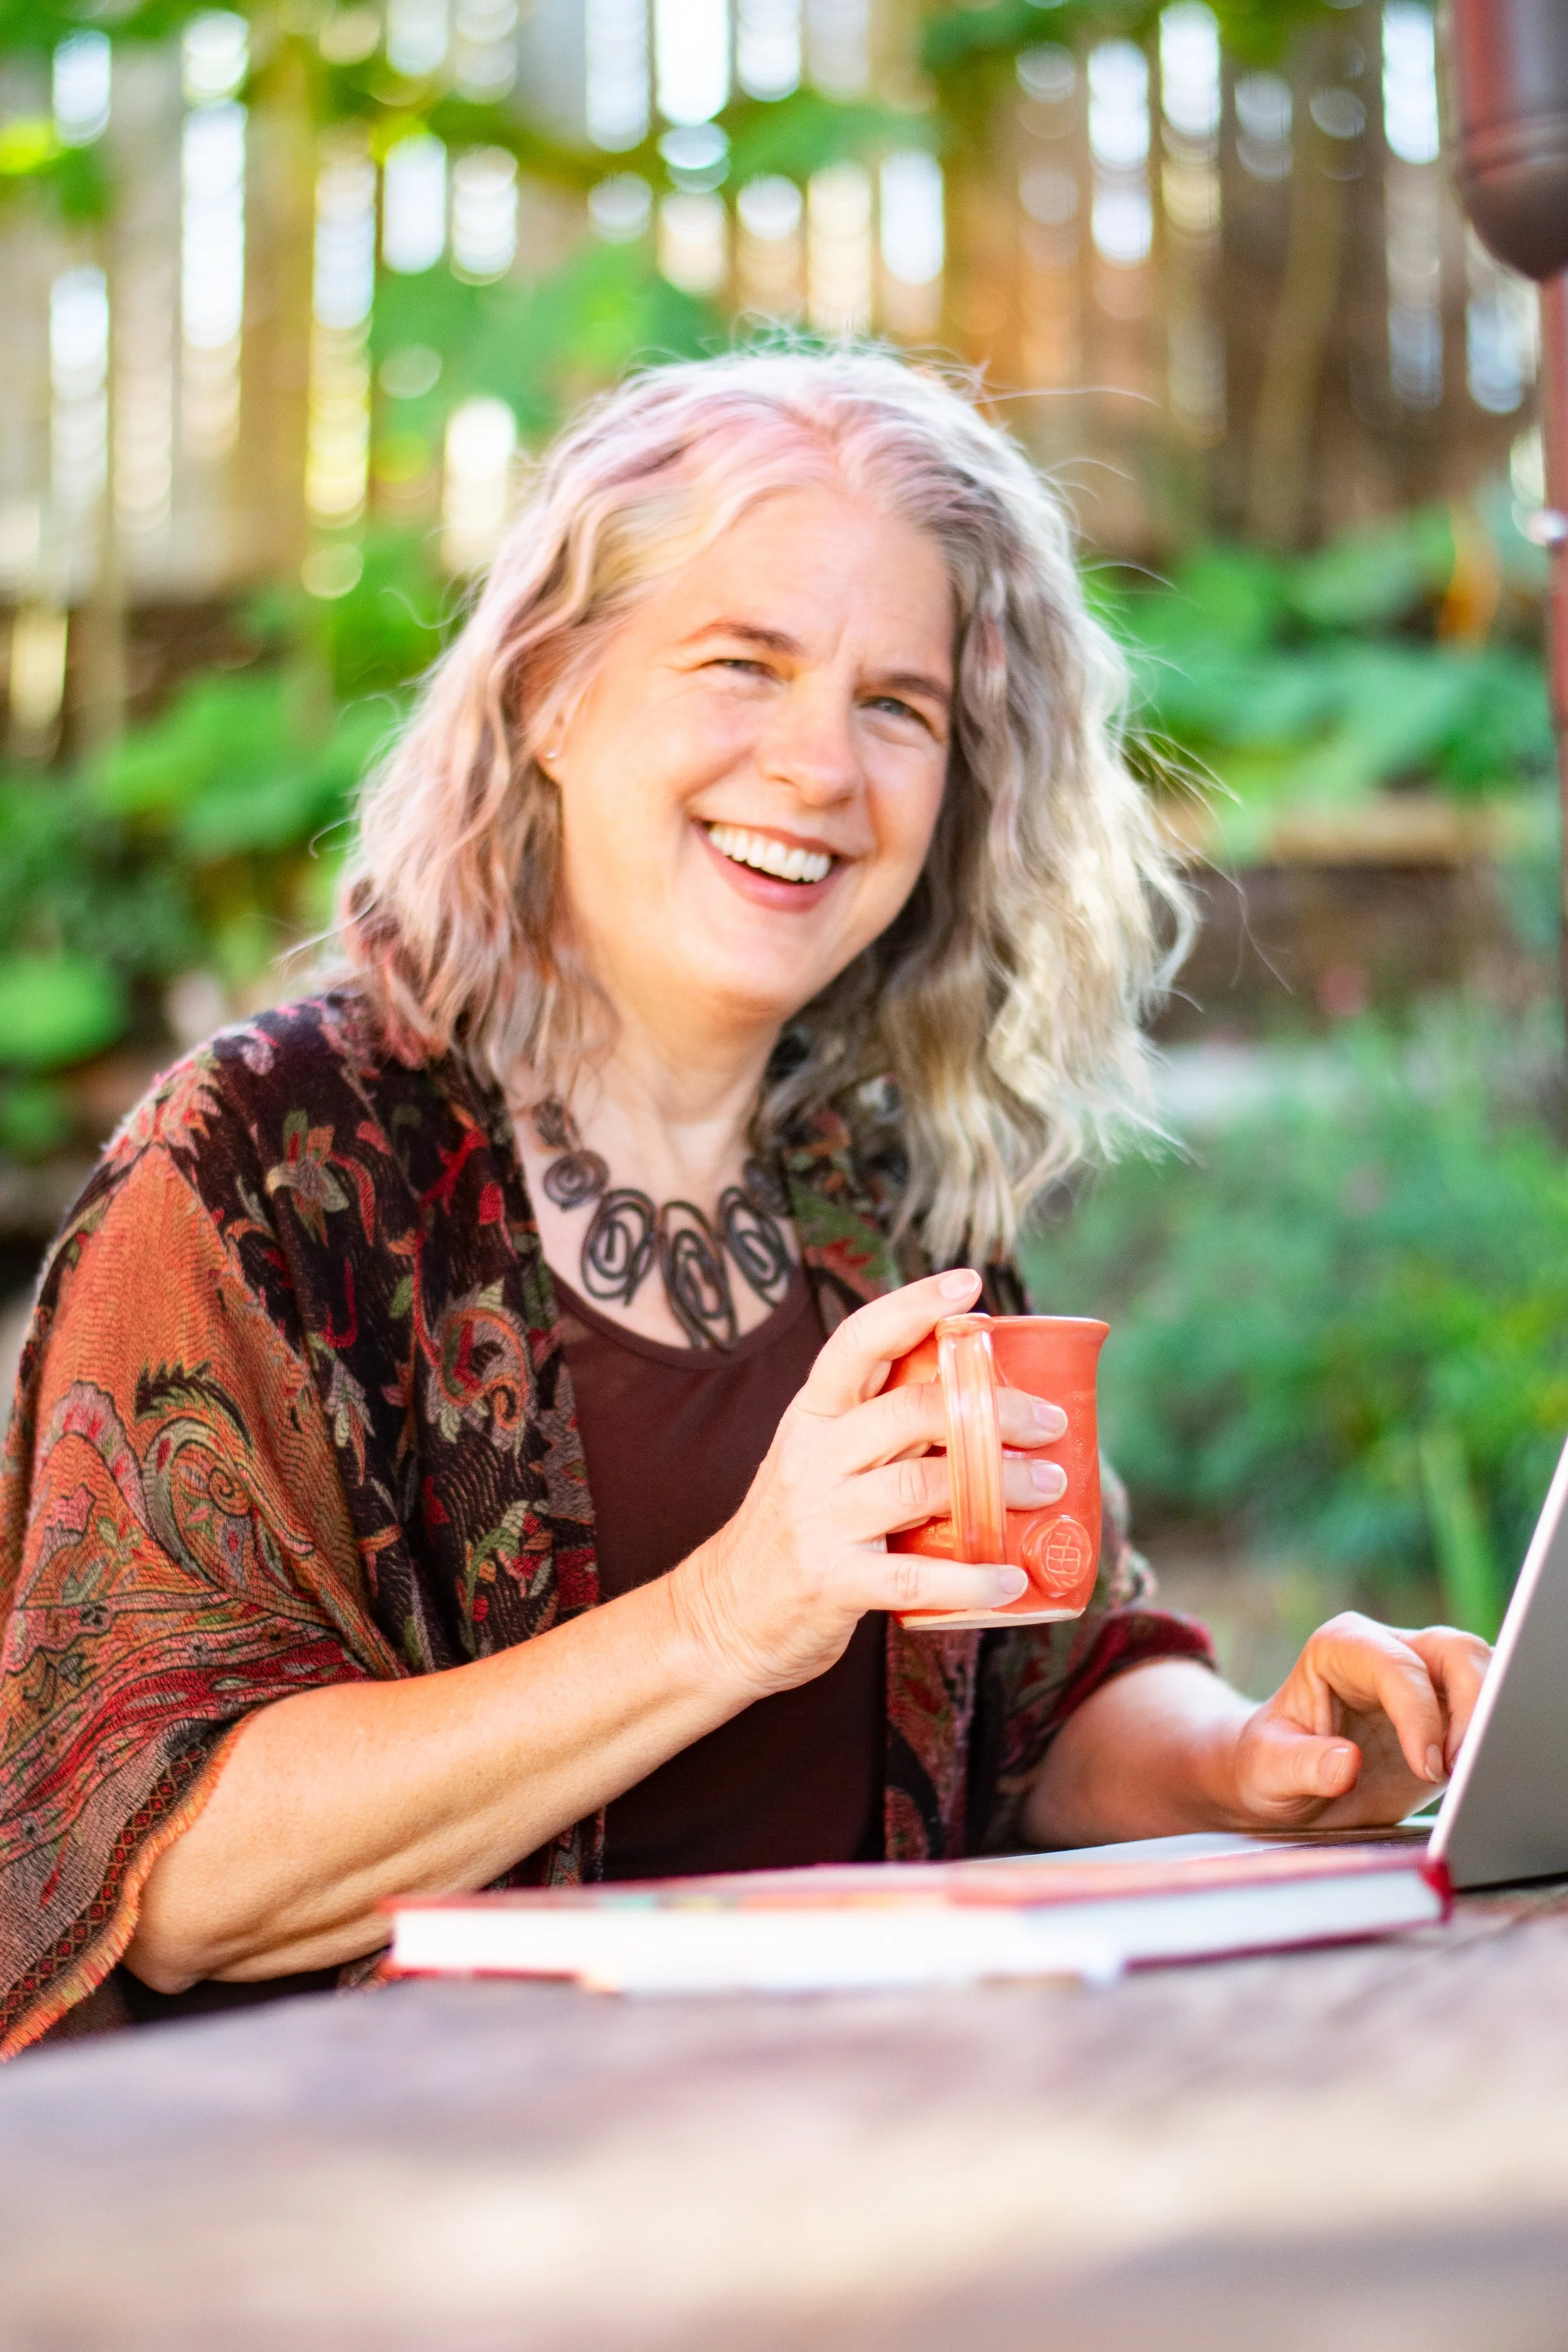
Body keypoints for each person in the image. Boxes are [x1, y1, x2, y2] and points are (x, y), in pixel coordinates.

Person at [0, 350, 1488, 2054]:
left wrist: (1256, 1757)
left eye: (897, 706)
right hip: (407, 2181)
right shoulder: (268, 1165)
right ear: (551, 694)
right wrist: (730, 1614)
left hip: (873, 2139)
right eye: (742, 664)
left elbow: (1037, 1695)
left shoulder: (883, 1187)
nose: (820, 768)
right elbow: (173, 1874)